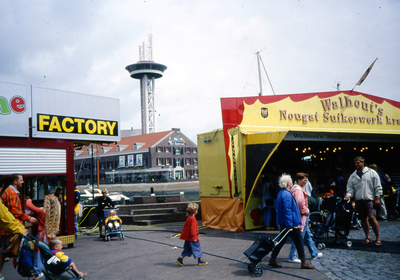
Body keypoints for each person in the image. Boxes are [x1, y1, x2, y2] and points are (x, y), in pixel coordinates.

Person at [268, 175, 315, 269]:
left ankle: (273, 259)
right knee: (299, 242)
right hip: (290, 224)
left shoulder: (281, 193)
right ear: (287, 183)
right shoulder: (287, 194)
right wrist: (290, 225)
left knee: (281, 241)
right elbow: (287, 210)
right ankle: (304, 262)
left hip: (284, 223)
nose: (292, 182)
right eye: (290, 180)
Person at [0, 174, 37, 279]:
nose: (23, 182)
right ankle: (30, 272)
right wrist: (28, 218)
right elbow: (14, 212)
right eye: (21, 180)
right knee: (23, 251)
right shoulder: (11, 193)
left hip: (5, 229)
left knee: (2, 251)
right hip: (11, 229)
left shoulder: (8, 192)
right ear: (15, 182)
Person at [344, 156, 382, 246]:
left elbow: (378, 186)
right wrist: (348, 196)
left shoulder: (372, 173)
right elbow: (350, 189)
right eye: (355, 163)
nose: (356, 164)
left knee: (372, 218)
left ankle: (378, 238)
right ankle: (368, 237)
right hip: (359, 200)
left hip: (369, 199)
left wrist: (377, 197)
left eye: (358, 163)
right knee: (363, 218)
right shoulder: (353, 176)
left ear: (363, 163)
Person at [288, 173, 322, 263]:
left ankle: (314, 253)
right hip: (302, 216)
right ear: (299, 179)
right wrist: (307, 211)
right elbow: (300, 205)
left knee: (307, 235)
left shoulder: (296, 189)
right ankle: (292, 256)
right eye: (304, 179)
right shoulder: (298, 190)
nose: (306, 181)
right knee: (299, 237)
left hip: (301, 216)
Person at [26, 194, 60, 280]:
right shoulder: (56, 213)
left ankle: (37, 275)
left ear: (47, 203)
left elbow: (29, 206)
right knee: (50, 257)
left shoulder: (42, 212)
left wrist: (28, 199)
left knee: (39, 256)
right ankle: (50, 275)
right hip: (52, 236)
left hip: (42, 236)